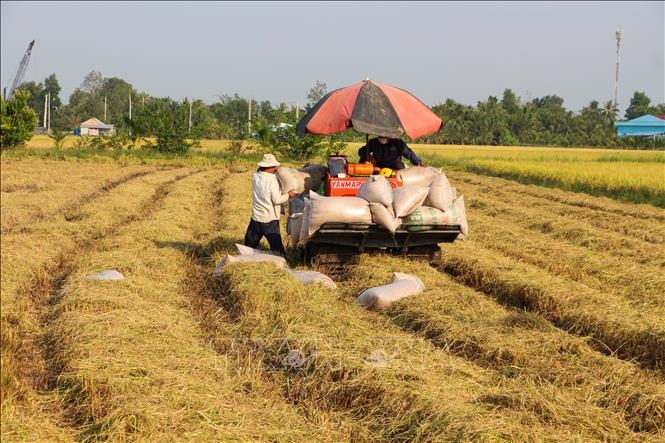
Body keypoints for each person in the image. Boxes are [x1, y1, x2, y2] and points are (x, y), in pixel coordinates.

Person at [244, 153, 297, 255]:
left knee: (249, 245)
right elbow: (276, 200)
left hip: (256, 217)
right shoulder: (272, 180)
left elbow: (259, 172)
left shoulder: (255, 176)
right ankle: (282, 262)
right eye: (274, 167)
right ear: (270, 167)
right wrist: (288, 195)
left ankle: (246, 259)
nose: (275, 169)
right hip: (269, 219)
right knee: (277, 249)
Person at [358, 136, 425, 171]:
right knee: (362, 160)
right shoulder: (373, 142)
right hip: (378, 166)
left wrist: (418, 162)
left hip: (393, 166)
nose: (382, 137)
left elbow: (408, 153)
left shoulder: (397, 142)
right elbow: (361, 151)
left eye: (385, 136)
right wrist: (369, 156)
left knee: (400, 165)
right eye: (381, 136)